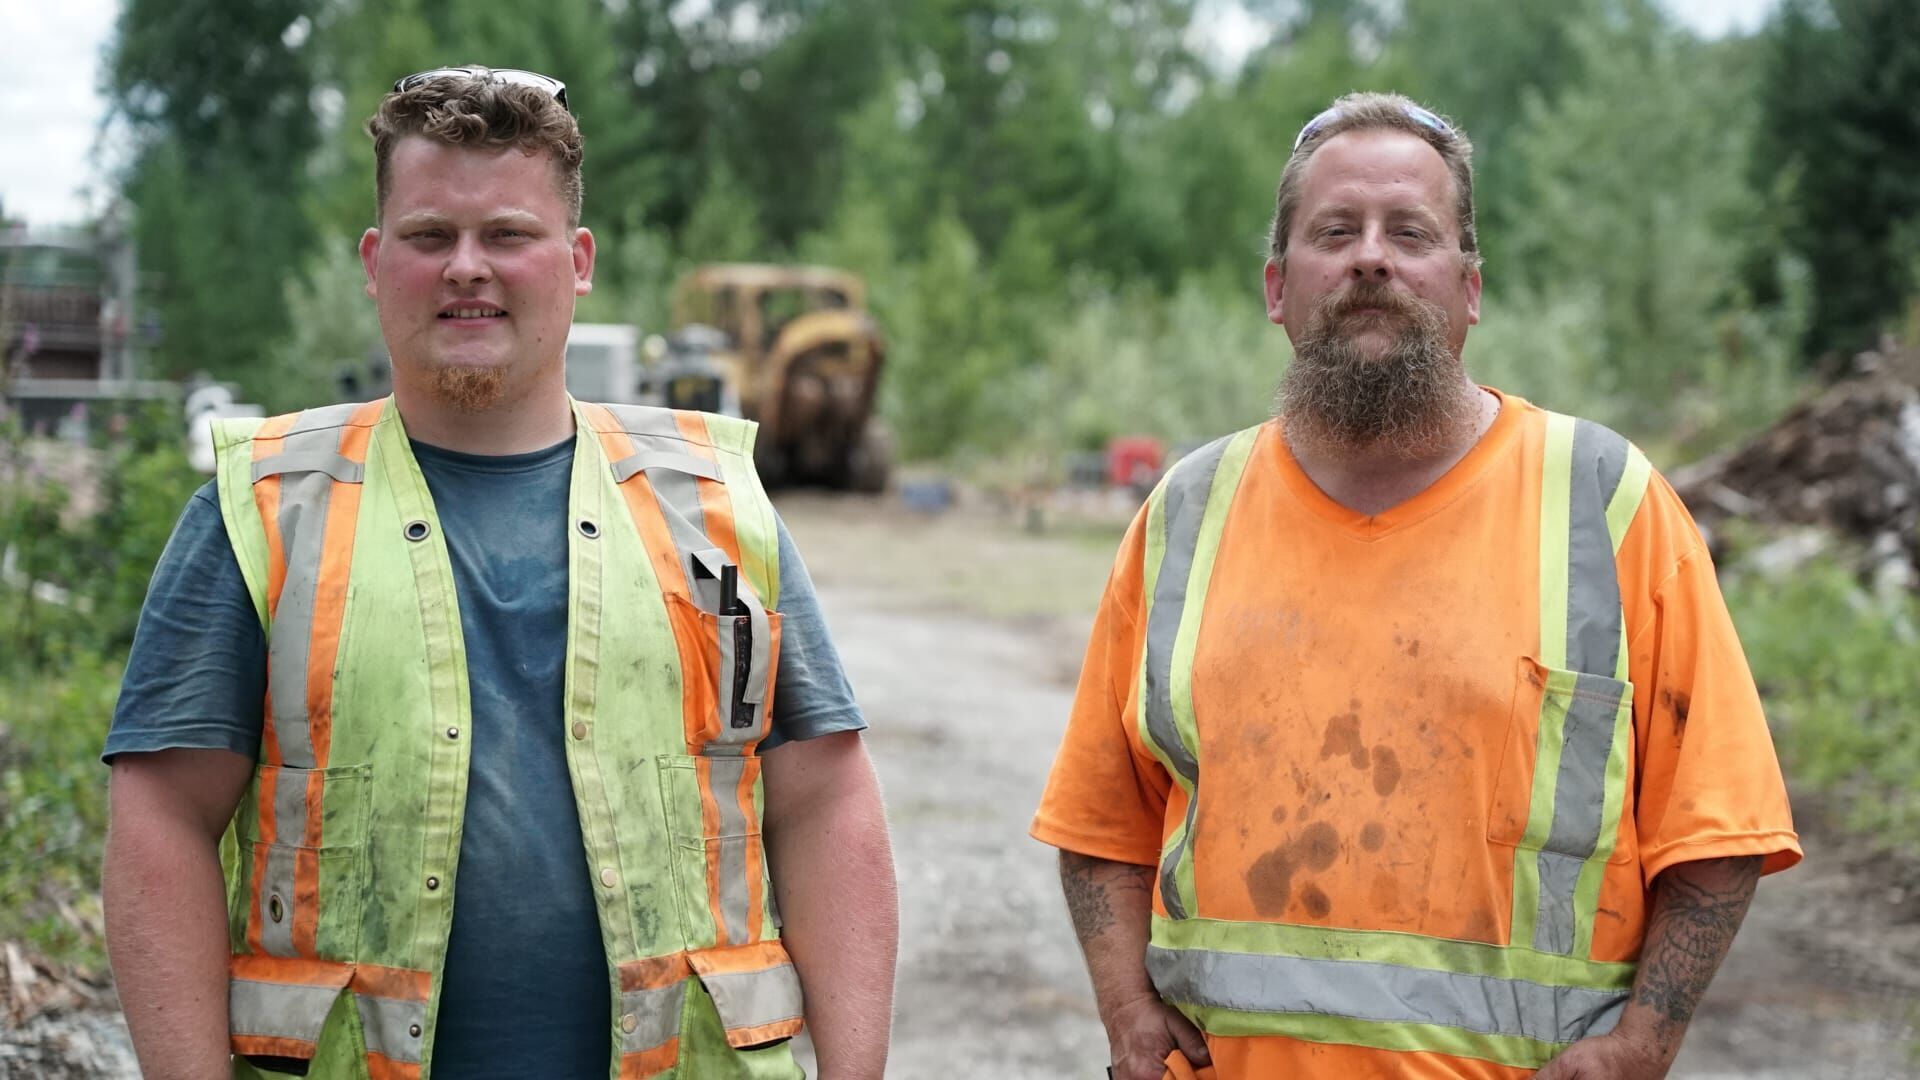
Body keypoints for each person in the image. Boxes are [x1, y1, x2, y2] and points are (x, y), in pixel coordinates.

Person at [102, 65, 897, 1080]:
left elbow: (823, 799)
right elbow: (162, 819)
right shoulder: (262, 511)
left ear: (577, 261)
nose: (467, 267)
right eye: (431, 235)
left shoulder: (712, 505)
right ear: (375, 261)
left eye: (509, 235)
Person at [1031, 91, 1800, 1080]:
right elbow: (1102, 821)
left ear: (1470, 288)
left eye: (1410, 232)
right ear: (1277, 287)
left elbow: (1720, 824)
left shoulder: (1607, 504)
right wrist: (1125, 1012)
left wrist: (1646, 1043)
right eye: (1334, 232)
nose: (1371, 259)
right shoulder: (1185, 513)